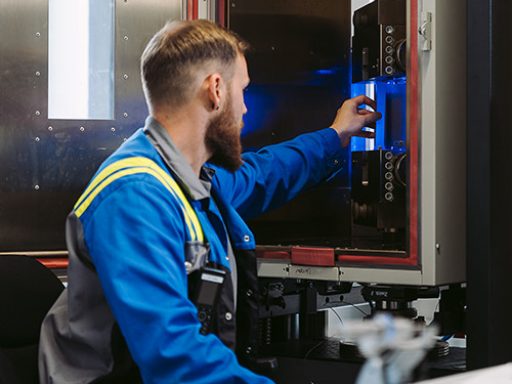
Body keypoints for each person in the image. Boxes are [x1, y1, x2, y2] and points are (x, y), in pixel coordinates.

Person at [39, 19, 381, 384]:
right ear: (215, 90)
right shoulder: (135, 196)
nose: (246, 109)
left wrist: (335, 137)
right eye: (243, 90)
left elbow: (262, 174)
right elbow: (175, 358)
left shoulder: (187, 177)